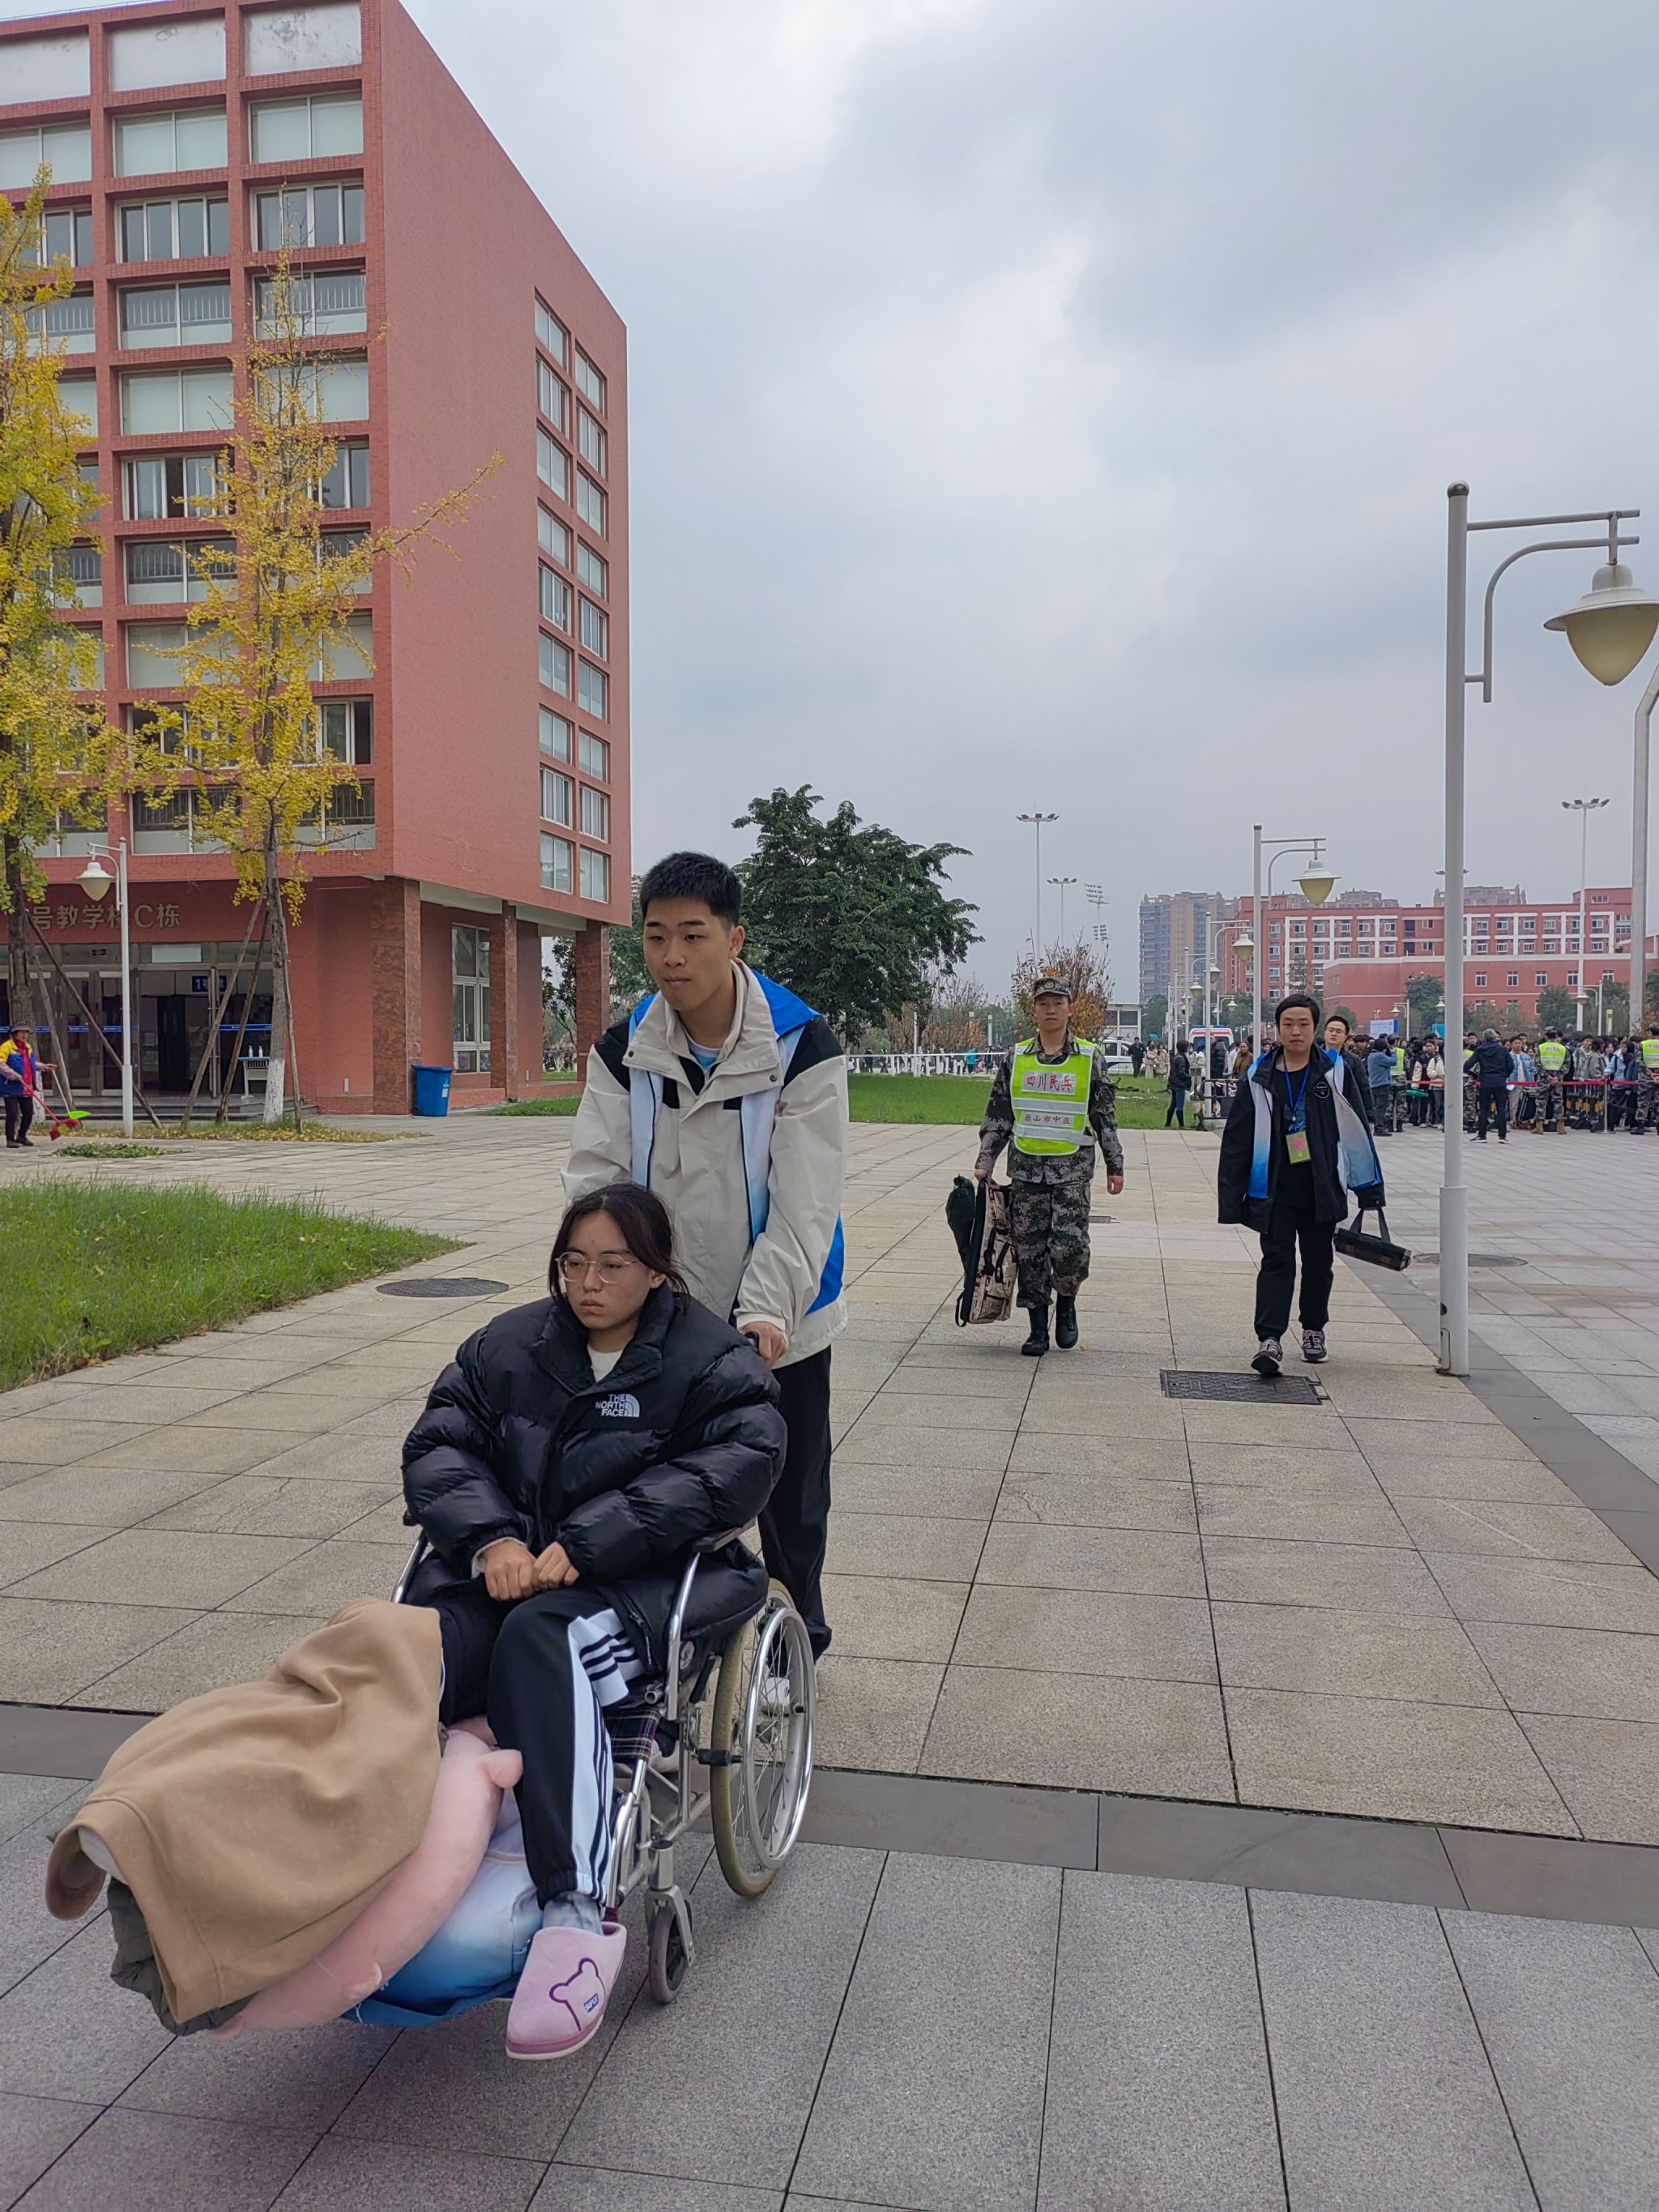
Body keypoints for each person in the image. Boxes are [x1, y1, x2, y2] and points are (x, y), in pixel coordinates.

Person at [401, 1182, 785, 2060]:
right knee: (397, 1648)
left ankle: (573, 1905)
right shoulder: (506, 1347)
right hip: (508, 1577)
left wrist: (591, 1540)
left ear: (655, 1271)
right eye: (573, 1263)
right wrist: (491, 1538)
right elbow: (439, 1444)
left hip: (650, 1583)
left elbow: (741, 1461)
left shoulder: (712, 1360)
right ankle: (338, 1836)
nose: (587, 1284)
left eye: (612, 1265)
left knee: (543, 1639)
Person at [565, 851, 847, 1661]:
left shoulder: (801, 1044)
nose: (672, 957)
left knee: (789, 1495)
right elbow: (597, 1177)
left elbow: (805, 1202)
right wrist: (604, 1279)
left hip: (781, 1311)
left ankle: (798, 1640)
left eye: (693, 935)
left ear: (734, 938)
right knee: (660, 1483)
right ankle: (680, 1627)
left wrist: (765, 1310)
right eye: (656, 937)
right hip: (664, 1315)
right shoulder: (625, 1047)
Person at [1218, 993, 1383, 1376]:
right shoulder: (1258, 1076)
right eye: (1288, 1024)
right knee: (1276, 1261)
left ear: (1315, 1028)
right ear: (1277, 1029)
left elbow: (1356, 1131)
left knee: (1319, 1263)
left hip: (1321, 1186)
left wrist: (1369, 1188)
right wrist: (1231, 1196)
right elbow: (1237, 1138)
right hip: (1273, 1188)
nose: (1296, 1031)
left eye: (1303, 1024)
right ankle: (1270, 1338)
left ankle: (1313, 1329)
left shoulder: (1334, 1073)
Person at [975, 976, 1125, 1356]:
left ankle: (1067, 1303)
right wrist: (985, 1161)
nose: (1051, 1009)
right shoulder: (1016, 1058)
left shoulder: (1089, 1057)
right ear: (1035, 1010)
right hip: (1026, 1170)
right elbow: (999, 1114)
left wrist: (1115, 1163)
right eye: (1043, 1003)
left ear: (1070, 1008)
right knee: (1030, 1251)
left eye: (1058, 1002)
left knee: (1069, 1247)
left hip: (1072, 1170)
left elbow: (1104, 1116)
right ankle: (1037, 1329)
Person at [0, 1024, 51, 1148]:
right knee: (12, 1114)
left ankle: (22, 1136)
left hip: (26, 1086)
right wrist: (13, 1075)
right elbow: (1, 1064)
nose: (24, 1035)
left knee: (29, 1113)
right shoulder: (7, 1047)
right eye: (21, 1032)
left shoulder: (27, 1047)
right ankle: (10, 1139)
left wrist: (43, 1066)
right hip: (11, 1086)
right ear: (14, 1034)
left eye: (26, 1032)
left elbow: (30, 1063)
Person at [1466, 1028, 1516, 1142]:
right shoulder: (1503, 1050)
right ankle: (1502, 1136)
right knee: (1501, 1108)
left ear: (1484, 1038)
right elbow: (1511, 1066)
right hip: (1500, 1082)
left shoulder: (1480, 1050)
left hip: (1485, 1081)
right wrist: (1504, 1075)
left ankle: (1482, 1135)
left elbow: (1468, 1064)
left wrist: (1473, 1075)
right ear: (1495, 1037)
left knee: (1483, 1109)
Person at [1322, 1015, 1371, 1125]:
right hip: (1320, 1114)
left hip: (1347, 1114)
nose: (1334, 1034)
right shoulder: (1314, 1059)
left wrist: (1369, 1116)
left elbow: (1364, 1087)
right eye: (1331, 1030)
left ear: (1345, 1037)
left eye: (1338, 1031)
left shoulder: (1353, 1060)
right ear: (1325, 1032)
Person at [1535, 1028, 1571, 1132]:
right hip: (1557, 1079)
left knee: (1541, 1101)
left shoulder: (1541, 1047)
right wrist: (1557, 1077)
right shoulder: (1563, 1049)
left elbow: (1537, 1064)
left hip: (1544, 1079)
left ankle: (1539, 1126)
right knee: (1558, 1101)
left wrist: (1546, 1076)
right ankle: (1561, 1126)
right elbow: (1567, 1065)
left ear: (1546, 1036)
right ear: (1556, 1037)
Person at [1365, 1035, 1394, 1135]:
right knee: (1381, 1108)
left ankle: (1378, 1127)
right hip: (1382, 1085)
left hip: (1373, 1085)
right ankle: (1379, 1128)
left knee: (1376, 1107)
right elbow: (1393, 1062)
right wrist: (1394, 1053)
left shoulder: (1371, 1056)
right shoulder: (1380, 1056)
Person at [1636, 1023, 1659, 1134]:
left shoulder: (1643, 1044)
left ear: (1650, 1033)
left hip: (1646, 1078)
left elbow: (1639, 1061)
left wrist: (1650, 1074)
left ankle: (1640, 1126)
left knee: (1643, 1101)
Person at [1166, 1039, 1192, 1128]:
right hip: (1180, 1084)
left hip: (1173, 1083)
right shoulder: (1181, 1059)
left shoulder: (1176, 1057)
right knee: (1180, 1105)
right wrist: (1189, 1076)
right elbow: (1181, 1072)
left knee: (1173, 1104)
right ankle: (1181, 1125)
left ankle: (1168, 1123)